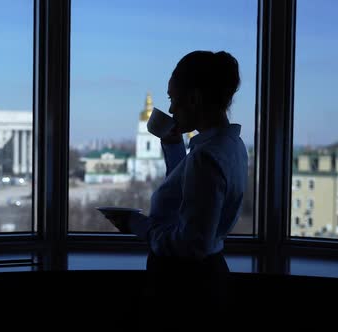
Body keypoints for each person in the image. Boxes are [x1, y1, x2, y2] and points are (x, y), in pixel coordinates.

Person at [103, 50, 247, 322]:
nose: (169, 110)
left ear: (193, 99)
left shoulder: (207, 156)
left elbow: (191, 244)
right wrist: (172, 146)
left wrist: (135, 224)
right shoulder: (230, 146)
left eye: (173, 99)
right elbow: (188, 195)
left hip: (186, 288)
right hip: (204, 279)